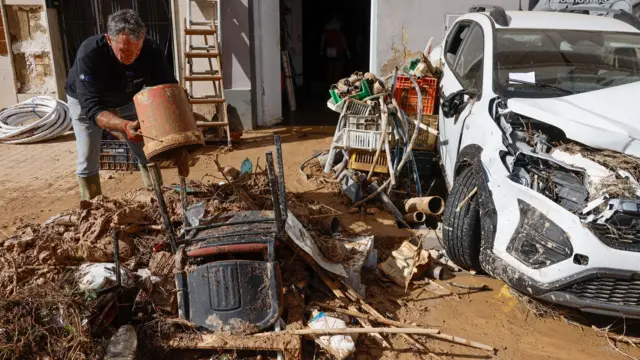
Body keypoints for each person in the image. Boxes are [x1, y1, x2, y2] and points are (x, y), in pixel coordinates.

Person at [65, 9, 178, 201]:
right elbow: (91, 108)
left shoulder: (151, 50)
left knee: (145, 148)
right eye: (124, 50)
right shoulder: (90, 53)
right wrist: (124, 126)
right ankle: (93, 207)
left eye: (137, 50)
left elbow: (169, 90)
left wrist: (180, 143)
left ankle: (157, 197)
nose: (131, 57)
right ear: (109, 39)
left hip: (126, 98)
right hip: (86, 101)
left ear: (143, 40)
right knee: (87, 155)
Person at [320, 15, 351, 85]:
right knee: (338, 70)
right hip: (338, 50)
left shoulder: (326, 27)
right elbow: (343, 39)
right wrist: (347, 50)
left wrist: (321, 51)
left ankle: (329, 88)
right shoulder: (339, 26)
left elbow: (323, 40)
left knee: (329, 70)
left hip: (329, 50)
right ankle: (336, 87)